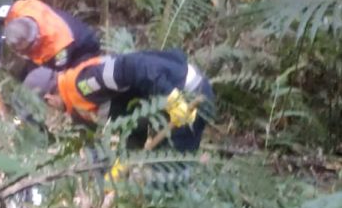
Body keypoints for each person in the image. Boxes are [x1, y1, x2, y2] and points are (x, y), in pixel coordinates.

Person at [23, 49, 215, 154]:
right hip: (170, 106)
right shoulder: (77, 105)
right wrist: (125, 160)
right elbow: (130, 119)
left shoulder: (85, 83)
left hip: (189, 94)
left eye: (48, 107)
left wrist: (172, 98)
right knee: (158, 164)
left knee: (169, 175)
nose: (53, 113)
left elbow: (136, 67)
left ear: (49, 99)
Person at [0, 0, 101, 72]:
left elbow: (59, 73)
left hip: (82, 48)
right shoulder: (19, 9)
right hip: (58, 28)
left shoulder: (58, 47)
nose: (22, 53)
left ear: (36, 39)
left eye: (26, 49)